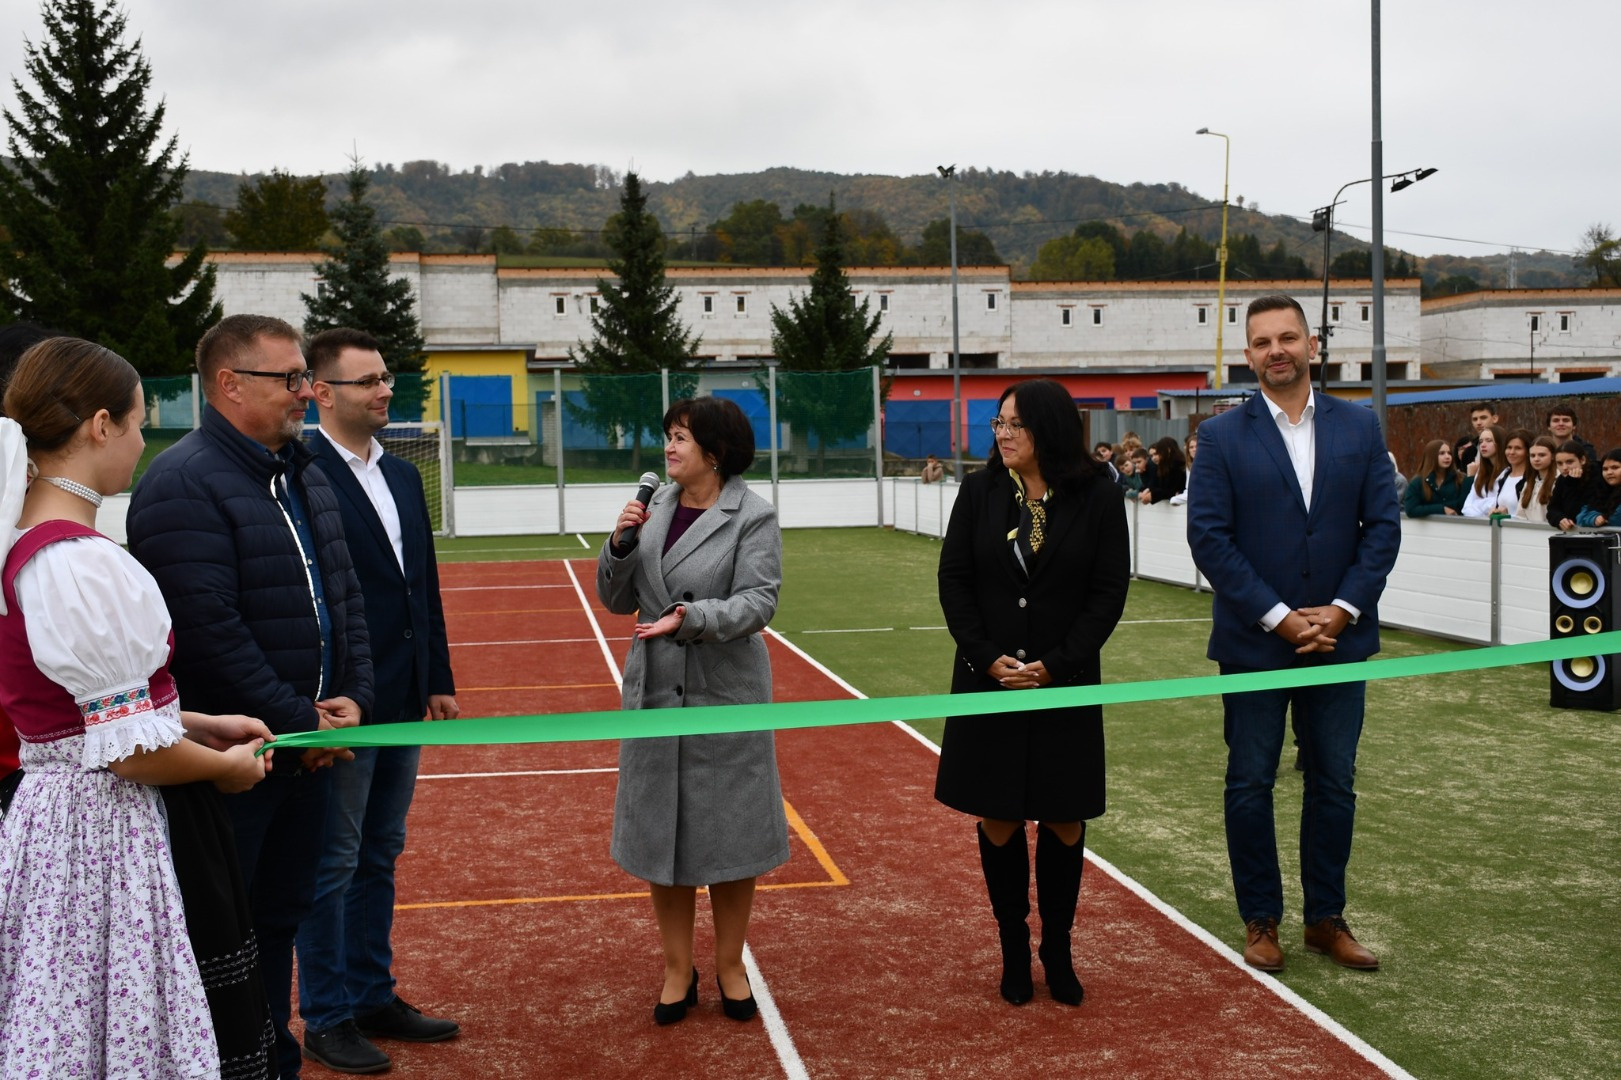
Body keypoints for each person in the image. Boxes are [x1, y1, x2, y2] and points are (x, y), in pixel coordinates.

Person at [0, 338, 275, 1078]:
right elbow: (129, 753)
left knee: (64, 1012)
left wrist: (193, 722)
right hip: (104, 832)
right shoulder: (79, 562)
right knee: (125, 1027)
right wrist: (222, 769)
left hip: (54, 823)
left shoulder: (23, 544)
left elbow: (83, 715)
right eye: (137, 424)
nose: (141, 442)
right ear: (100, 425)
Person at [128, 313, 374, 1080]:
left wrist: (354, 697)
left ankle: (271, 1058)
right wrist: (303, 722)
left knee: (278, 920)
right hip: (230, 764)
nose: (306, 390)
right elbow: (208, 632)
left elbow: (345, 596)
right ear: (229, 384)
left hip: (301, 753)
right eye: (290, 378)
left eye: (306, 376)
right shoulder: (182, 483)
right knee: (221, 936)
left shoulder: (304, 472)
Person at [1187, 294, 1400, 974]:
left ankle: (1324, 920)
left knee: (1333, 782)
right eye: (1261, 342)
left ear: (1313, 345)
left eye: (1286, 337)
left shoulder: (1359, 426)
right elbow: (1209, 539)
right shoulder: (1221, 436)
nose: (1275, 350)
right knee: (1250, 782)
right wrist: (1278, 617)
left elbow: (1382, 529)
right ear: (1247, 355)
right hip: (1254, 645)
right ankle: (1261, 920)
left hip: (1340, 641)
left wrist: (1342, 609)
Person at [295, 329, 461, 1072]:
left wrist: (437, 675)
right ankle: (326, 1016)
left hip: (402, 695)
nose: (384, 390)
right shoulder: (302, 474)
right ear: (322, 394)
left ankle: (371, 994)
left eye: (385, 378)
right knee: (333, 858)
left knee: (380, 851)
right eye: (367, 381)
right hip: (344, 703)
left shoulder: (400, 474)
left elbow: (419, 583)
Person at [936, 378, 1130, 1007]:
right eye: (998, 423)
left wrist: (1058, 665)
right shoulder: (980, 491)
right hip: (987, 681)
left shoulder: (1099, 495)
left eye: (1014, 423)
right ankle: (1014, 947)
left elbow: (1108, 592)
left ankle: (1059, 948)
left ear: (1048, 427)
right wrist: (984, 656)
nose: (1003, 433)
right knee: (999, 813)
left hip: (1063, 685)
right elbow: (955, 581)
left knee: (1063, 815)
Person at [596, 395, 788, 1026]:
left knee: (731, 834)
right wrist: (619, 544)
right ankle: (678, 968)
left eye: (681, 437)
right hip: (655, 689)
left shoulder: (752, 516)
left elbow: (759, 601)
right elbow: (615, 599)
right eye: (669, 435)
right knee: (662, 833)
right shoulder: (654, 508)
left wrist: (690, 618)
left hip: (723, 691)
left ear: (716, 451)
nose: (669, 448)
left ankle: (730, 964)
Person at [1402, 440, 1466, 518]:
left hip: (1456, 524)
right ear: (1431, 456)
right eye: (1442, 453)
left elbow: (1463, 505)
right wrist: (1441, 509)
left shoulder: (1460, 479)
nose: (1447, 457)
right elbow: (1411, 509)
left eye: (1449, 453)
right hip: (1428, 525)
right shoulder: (1418, 482)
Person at [1460, 424, 1507, 518]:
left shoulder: (1508, 472)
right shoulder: (1481, 472)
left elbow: (1500, 504)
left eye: (1489, 441)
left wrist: (1479, 504)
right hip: (1479, 524)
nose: (1483, 445)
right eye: (1480, 441)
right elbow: (1466, 507)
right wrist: (1486, 506)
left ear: (1500, 443)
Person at [1549, 442, 1596, 532]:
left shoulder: (1597, 476)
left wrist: (1572, 483)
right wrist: (1560, 519)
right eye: (1560, 463)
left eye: (1569, 462)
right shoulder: (1562, 479)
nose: (1564, 467)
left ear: (1582, 460)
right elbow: (1552, 509)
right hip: (1572, 533)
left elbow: (1576, 512)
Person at [1515, 436, 1559, 525]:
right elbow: (1520, 515)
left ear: (1553, 456)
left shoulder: (1559, 481)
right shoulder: (1528, 483)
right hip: (1529, 531)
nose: (1536, 459)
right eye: (1532, 455)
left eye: (1542, 455)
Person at [1489, 430, 1533, 517]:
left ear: (1528, 452)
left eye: (1518, 448)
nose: (1512, 452)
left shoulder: (1533, 479)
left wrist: (1508, 516)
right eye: (1509, 447)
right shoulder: (1503, 476)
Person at [1576, 449, 1621, 527]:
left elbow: (1615, 520)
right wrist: (1594, 519)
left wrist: (1603, 518)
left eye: (1615, 467)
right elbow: (1580, 517)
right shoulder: (1602, 491)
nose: (1609, 472)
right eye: (1605, 469)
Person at [1139, 436, 1186, 505]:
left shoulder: (1178, 466)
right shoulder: (1163, 466)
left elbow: (1170, 489)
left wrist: (1152, 496)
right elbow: (1156, 484)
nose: (1158, 456)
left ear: (1168, 450)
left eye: (1159, 452)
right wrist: (1147, 491)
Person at [1457, 401, 1499, 473]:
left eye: (1483, 418)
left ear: (1494, 419)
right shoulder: (1469, 452)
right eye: (1475, 419)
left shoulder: (1507, 446)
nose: (1478, 423)